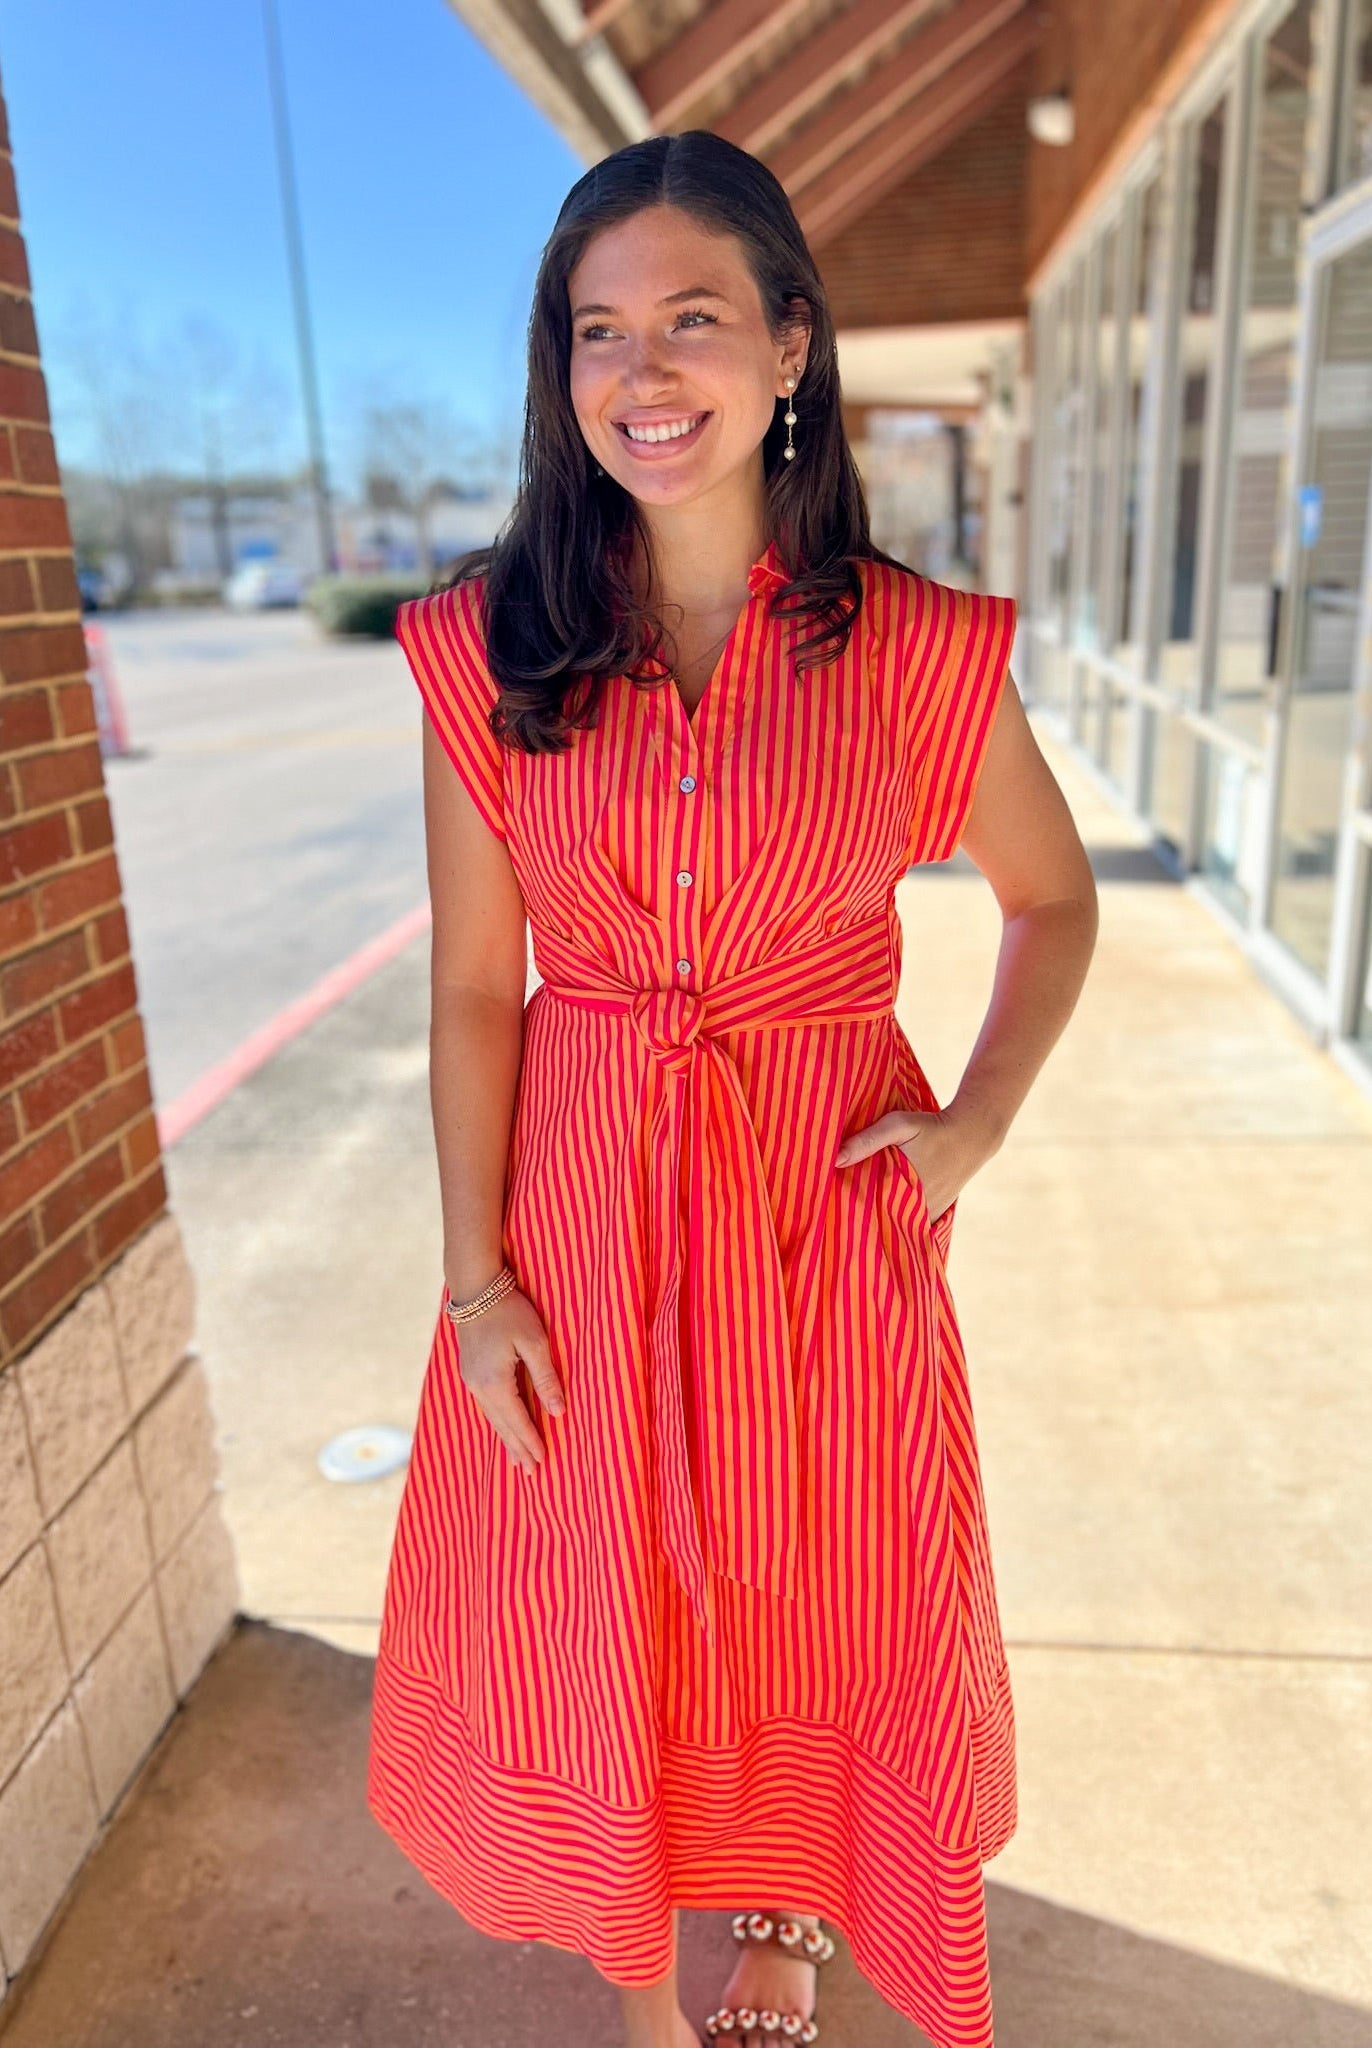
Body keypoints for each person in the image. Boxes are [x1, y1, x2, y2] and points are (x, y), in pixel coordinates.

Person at [367, 130, 1098, 2048]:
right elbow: (475, 985)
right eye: (597, 329)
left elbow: (1054, 897)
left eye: (690, 317)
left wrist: (975, 1124)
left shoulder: (918, 650)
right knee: (606, 1597)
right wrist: (474, 1278)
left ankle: (787, 1896)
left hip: (821, 1207)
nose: (641, 371)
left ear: (790, 344)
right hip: (580, 1207)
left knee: (817, 1573)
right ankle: (640, 1997)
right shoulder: (490, 649)